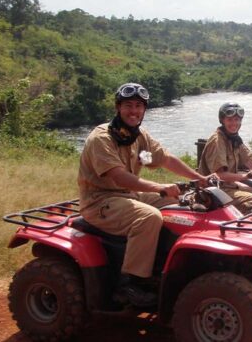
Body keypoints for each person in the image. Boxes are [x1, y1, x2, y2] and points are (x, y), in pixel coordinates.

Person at [78, 82, 210, 307]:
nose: (134, 111)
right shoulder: (102, 138)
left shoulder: (137, 137)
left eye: (139, 106)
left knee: (179, 202)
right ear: (117, 107)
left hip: (127, 196)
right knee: (148, 217)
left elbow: (164, 159)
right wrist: (158, 187)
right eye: (128, 105)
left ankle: (163, 263)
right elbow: (119, 177)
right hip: (100, 201)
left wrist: (199, 178)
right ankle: (130, 283)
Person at [198, 102, 252, 214]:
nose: (234, 123)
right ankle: (241, 229)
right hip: (214, 190)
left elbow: (248, 160)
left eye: (237, 120)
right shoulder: (218, 140)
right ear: (222, 121)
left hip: (229, 186)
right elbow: (220, 175)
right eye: (230, 120)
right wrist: (246, 176)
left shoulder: (234, 138)